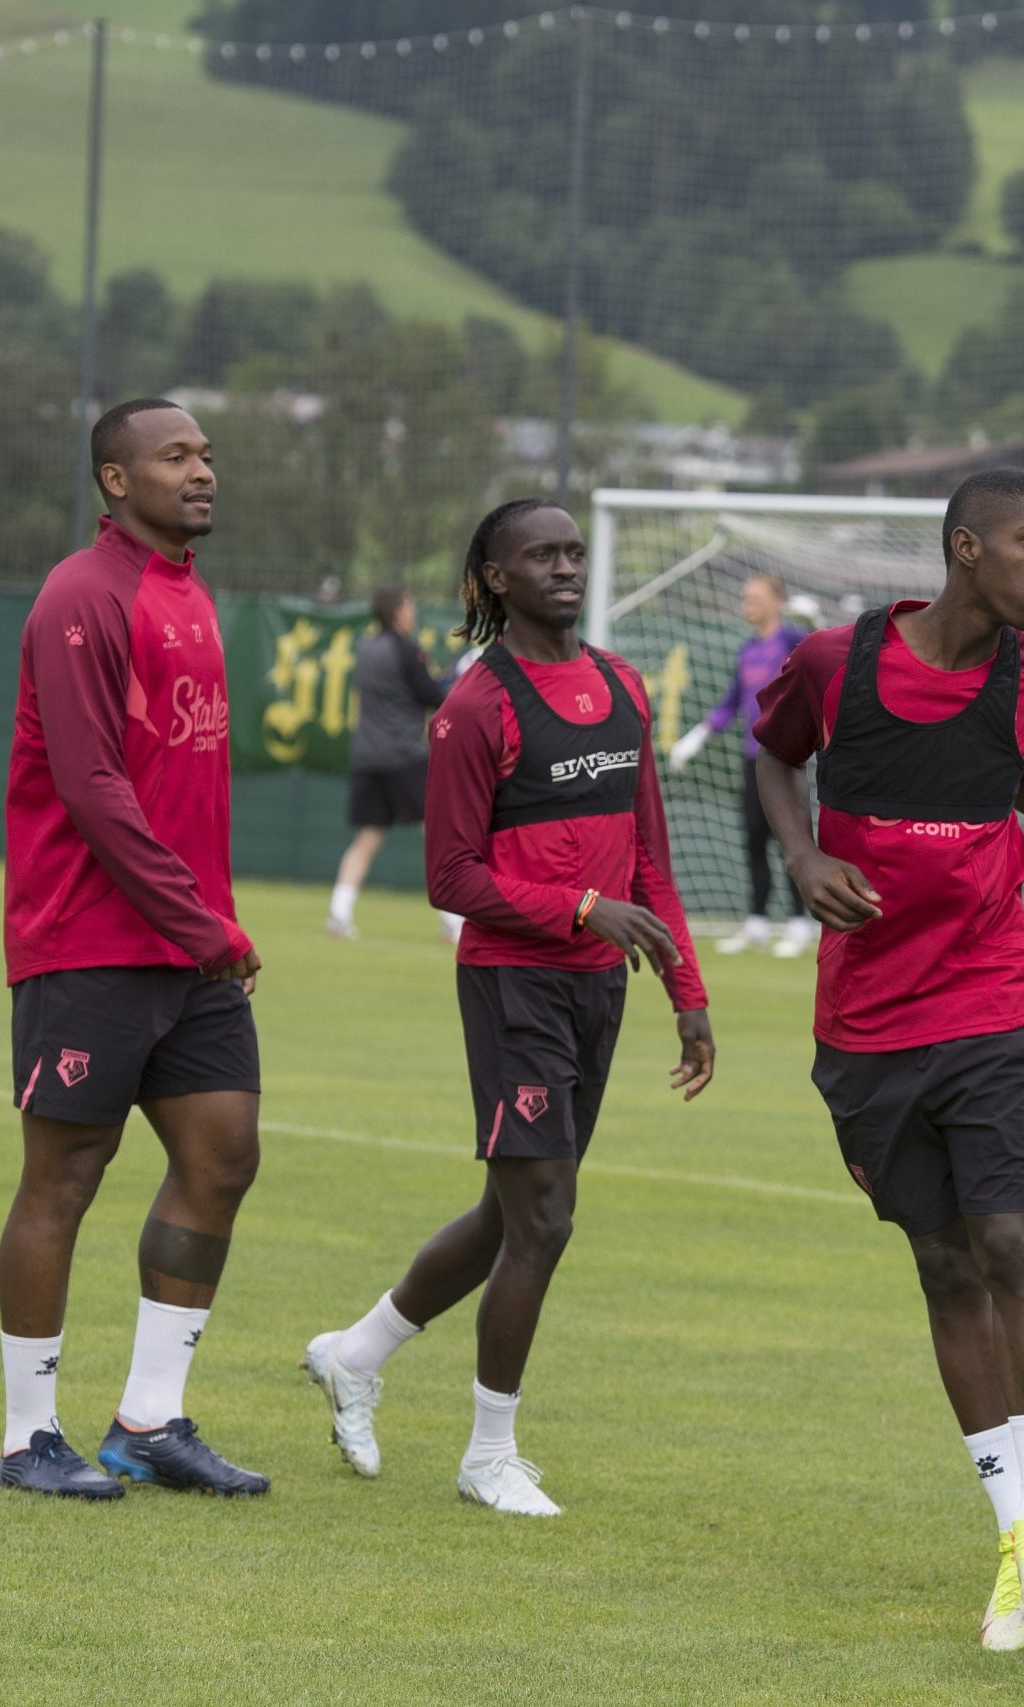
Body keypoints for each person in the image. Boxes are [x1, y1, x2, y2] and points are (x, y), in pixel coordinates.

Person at [750, 470, 1024, 1652]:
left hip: (993, 1003)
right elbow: (772, 763)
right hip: (864, 1027)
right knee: (946, 1270)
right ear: (965, 549)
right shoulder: (831, 664)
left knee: (1008, 1242)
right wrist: (800, 862)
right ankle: (1015, 1538)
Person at [300, 499, 715, 1519]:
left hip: (598, 990)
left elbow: (649, 858)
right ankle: (489, 1455)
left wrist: (689, 996)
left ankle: (356, 1354)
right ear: (493, 579)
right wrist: (576, 905)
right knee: (546, 1217)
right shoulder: (476, 707)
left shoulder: (619, 683)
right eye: (542, 556)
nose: (566, 568)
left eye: (573, 552)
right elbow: (449, 875)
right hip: (511, 984)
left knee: (512, 1212)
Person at [0, 398, 268, 1499]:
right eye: (175, 456)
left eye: (204, 453)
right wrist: (201, 922)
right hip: (89, 938)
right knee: (65, 1174)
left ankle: (149, 1422)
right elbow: (92, 789)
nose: (202, 470)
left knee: (223, 1158)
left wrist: (199, 928)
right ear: (117, 480)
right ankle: (28, 1438)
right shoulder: (81, 595)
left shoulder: (188, 594)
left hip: (186, 950)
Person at [666, 570, 815, 958]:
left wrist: (813, 622)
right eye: (745, 597)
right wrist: (693, 740)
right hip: (753, 759)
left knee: (790, 841)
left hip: (787, 758)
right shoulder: (747, 651)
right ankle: (757, 924)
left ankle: (799, 925)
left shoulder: (792, 640)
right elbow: (730, 704)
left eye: (755, 597)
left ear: (776, 601)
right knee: (753, 840)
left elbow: (823, 649)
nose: (747, 604)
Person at [326, 586, 447, 941]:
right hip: (404, 757)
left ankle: (338, 914)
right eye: (409, 606)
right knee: (439, 835)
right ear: (398, 613)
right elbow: (433, 696)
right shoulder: (407, 650)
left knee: (366, 838)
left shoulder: (364, 648)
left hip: (367, 757)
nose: (413, 611)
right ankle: (455, 923)